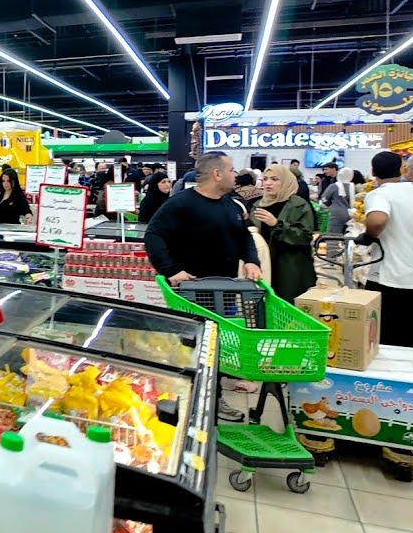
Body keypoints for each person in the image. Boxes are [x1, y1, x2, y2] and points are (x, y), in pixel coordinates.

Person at [145, 152, 263, 423]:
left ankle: (213, 398)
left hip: (225, 291)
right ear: (217, 174)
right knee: (190, 347)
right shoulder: (181, 204)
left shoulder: (231, 206)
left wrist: (252, 262)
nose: (237, 175)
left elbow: (244, 236)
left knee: (217, 345)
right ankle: (182, 399)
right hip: (191, 292)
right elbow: (154, 235)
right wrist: (171, 270)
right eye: (232, 170)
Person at [359, 151, 413, 348]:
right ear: (402, 169)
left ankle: (388, 379)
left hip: (391, 279)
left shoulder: (380, 193)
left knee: (385, 340)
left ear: (373, 172)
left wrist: (369, 236)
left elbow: (377, 220)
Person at [248, 164, 316, 304]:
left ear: (285, 181)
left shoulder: (298, 205)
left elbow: (304, 236)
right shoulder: (257, 206)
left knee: (287, 306)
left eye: (274, 179)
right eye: (265, 179)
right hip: (264, 265)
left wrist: (276, 224)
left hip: (290, 267)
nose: (268, 183)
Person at [319, 167, 356, 238]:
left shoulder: (334, 186)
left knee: (333, 237)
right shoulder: (353, 186)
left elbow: (324, 199)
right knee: (348, 237)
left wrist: (326, 205)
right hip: (351, 215)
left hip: (336, 215)